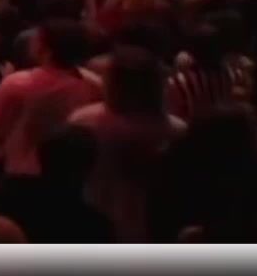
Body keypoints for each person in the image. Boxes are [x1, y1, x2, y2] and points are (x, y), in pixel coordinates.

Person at [69, 45, 186, 242]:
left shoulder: (83, 121)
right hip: (156, 222)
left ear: (112, 82)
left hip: (94, 215)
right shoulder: (176, 130)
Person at [0, 20, 102, 180]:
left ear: (46, 50)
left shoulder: (16, 83)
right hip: (74, 173)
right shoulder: (94, 84)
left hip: (22, 173)